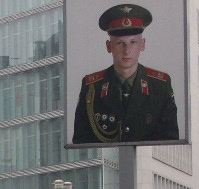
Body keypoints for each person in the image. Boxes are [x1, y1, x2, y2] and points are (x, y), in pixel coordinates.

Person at [73, 4, 179, 144]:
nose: (127, 50)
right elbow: (81, 140)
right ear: (109, 46)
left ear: (142, 44)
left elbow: (170, 139)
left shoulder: (160, 85)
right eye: (120, 43)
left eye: (133, 42)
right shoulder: (92, 86)